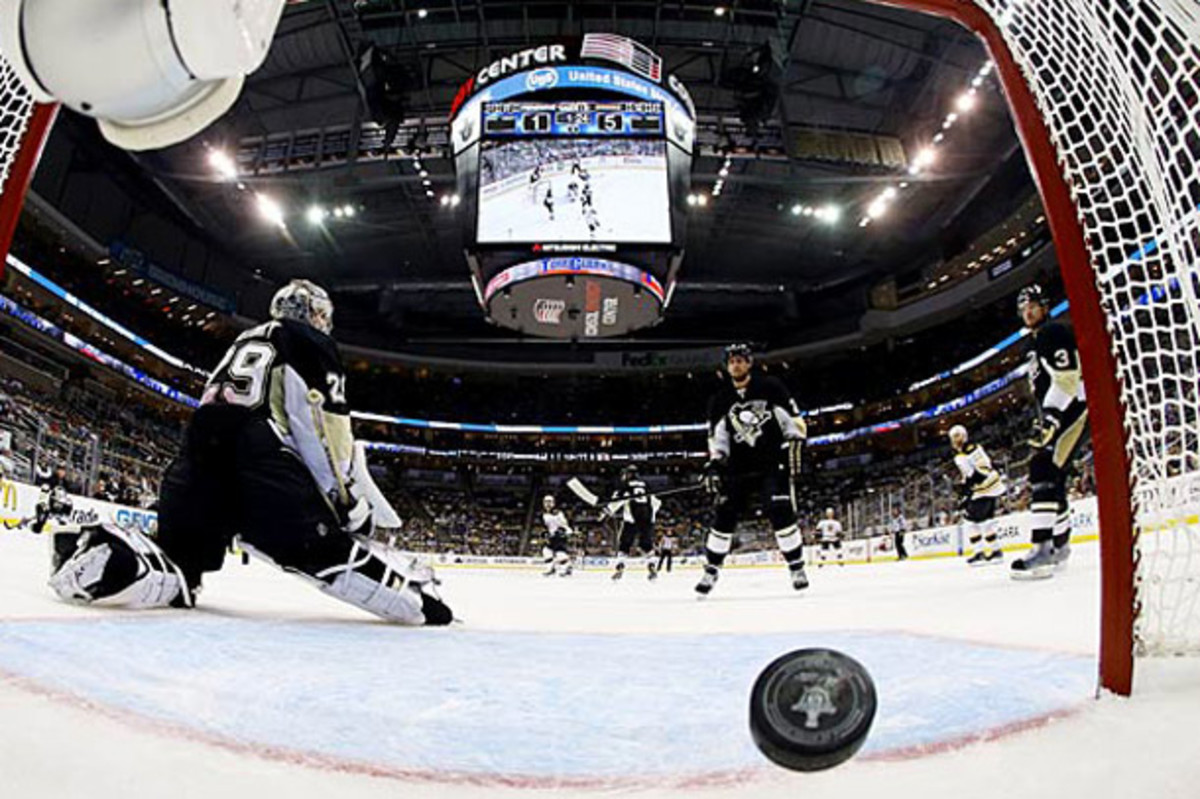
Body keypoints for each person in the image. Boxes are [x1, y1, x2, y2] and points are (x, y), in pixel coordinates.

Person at [49, 280, 451, 624]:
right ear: (313, 313)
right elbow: (319, 429)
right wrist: (345, 502)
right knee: (320, 551)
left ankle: (112, 555)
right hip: (256, 448)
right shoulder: (310, 341)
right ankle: (420, 605)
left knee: (181, 571)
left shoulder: (245, 338)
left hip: (198, 448)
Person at [697, 343, 808, 595]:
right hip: (737, 468)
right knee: (723, 515)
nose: (736, 364)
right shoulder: (720, 399)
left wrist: (797, 440)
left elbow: (792, 420)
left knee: (779, 510)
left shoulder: (771, 387)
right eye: (731, 361)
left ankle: (796, 566)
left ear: (749, 363)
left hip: (771, 463)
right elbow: (718, 437)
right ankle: (711, 571)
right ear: (727, 367)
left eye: (740, 360)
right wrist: (715, 463)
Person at [1011, 284, 1087, 579]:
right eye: (1023, 308)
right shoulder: (1034, 341)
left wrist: (1052, 417)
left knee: (1043, 468)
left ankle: (1044, 547)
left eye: (1032, 305)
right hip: (1062, 410)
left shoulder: (1052, 333)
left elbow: (1067, 377)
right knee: (1053, 474)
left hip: (1074, 409)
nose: (1027, 312)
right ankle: (1060, 545)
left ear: (1044, 306)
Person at [949, 424, 1007, 566]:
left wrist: (965, 493)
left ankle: (978, 553)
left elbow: (972, 476)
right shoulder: (977, 447)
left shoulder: (960, 456)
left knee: (971, 522)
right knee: (987, 521)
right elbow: (987, 464)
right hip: (995, 484)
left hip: (983, 489)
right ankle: (996, 551)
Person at [607, 465, 661, 581]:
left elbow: (617, 500)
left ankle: (620, 566)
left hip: (631, 520)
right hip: (647, 520)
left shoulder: (625, 486)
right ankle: (652, 566)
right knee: (646, 545)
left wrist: (608, 511)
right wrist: (651, 517)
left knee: (624, 545)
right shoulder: (647, 486)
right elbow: (657, 502)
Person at [540, 494, 574, 577]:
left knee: (560, 553)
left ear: (553, 503)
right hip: (553, 535)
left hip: (561, 534)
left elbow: (565, 524)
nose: (547, 504)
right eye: (545, 502)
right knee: (547, 551)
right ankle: (554, 568)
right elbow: (547, 526)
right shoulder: (544, 514)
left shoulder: (558, 513)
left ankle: (566, 568)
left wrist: (562, 531)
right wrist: (546, 533)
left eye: (549, 502)